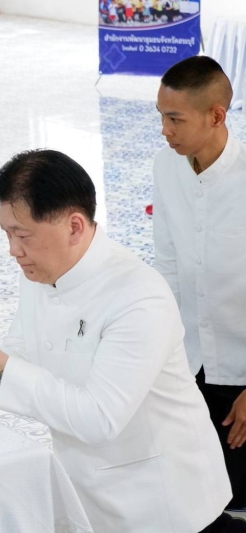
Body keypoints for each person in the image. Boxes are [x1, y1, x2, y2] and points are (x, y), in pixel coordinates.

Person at [0, 149, 233, 532]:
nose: (13, 251)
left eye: (22, 235)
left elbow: (100, 418)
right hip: (87, 494)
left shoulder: (138, 295)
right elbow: (19, 358)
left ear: (74, 226)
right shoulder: (39, 273)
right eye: (7, 234)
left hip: (163, 504)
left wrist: (0, 368)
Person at [154, 56, 246, 518]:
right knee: (202, 498)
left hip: (243, 370)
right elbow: (168, 264)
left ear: (216, 115)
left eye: (176, 119)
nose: (165, 131)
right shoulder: (165, 167)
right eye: (161, 117)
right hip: (191, 365)